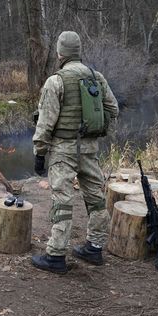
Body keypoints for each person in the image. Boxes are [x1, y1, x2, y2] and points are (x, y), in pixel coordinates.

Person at [31, 31, 119, 274]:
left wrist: (40, 153)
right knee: (96, 199)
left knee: (63, 202)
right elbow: (113, 108)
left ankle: (56, 256)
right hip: (89, 149)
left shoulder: (55, 81)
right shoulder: (96, 77)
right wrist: (96, 127)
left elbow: (45, 123)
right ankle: (95, 247)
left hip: (63, 151)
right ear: (78, 51)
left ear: (60, 53)